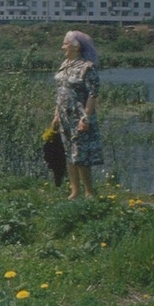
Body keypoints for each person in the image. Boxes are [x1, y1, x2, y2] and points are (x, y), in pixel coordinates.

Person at [51, 30, 104, 199]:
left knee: (80, 155)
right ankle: (75, 191)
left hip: (79, 116)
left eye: (65, 44)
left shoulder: (87, 67)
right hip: (64, 115)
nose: (62, 47)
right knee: (68, 153)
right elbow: (60, 92)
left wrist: (85, 118)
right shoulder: (65, 64)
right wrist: (56, 116)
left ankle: (89, 192)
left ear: (76, 46)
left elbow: (93, 94)